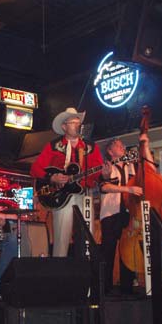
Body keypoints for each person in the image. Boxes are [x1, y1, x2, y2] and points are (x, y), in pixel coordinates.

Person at [30, 107, 103, 257]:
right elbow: (35, 168)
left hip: (84, 194)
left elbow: (98, 170)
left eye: (78, 121)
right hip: (62, 197)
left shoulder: (90, 146)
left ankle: (85, 271)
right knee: (62, 238)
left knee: (87, 237)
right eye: (73, 122)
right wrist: (52, 177)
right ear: (64, 127)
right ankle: (60, 273)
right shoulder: (53, 146)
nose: (77, 124)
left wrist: (104, 173)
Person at [99, 138, 143, 294]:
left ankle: (127, 287)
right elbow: (104, 187)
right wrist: (127, 190)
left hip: (128, 213)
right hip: (111, 213)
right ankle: (105, 289)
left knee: (128, 250)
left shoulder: (130, 166)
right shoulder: (107, 167)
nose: (123, 146)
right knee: (108, 251)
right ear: (110, 151)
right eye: (118, 145)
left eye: (123, 144)